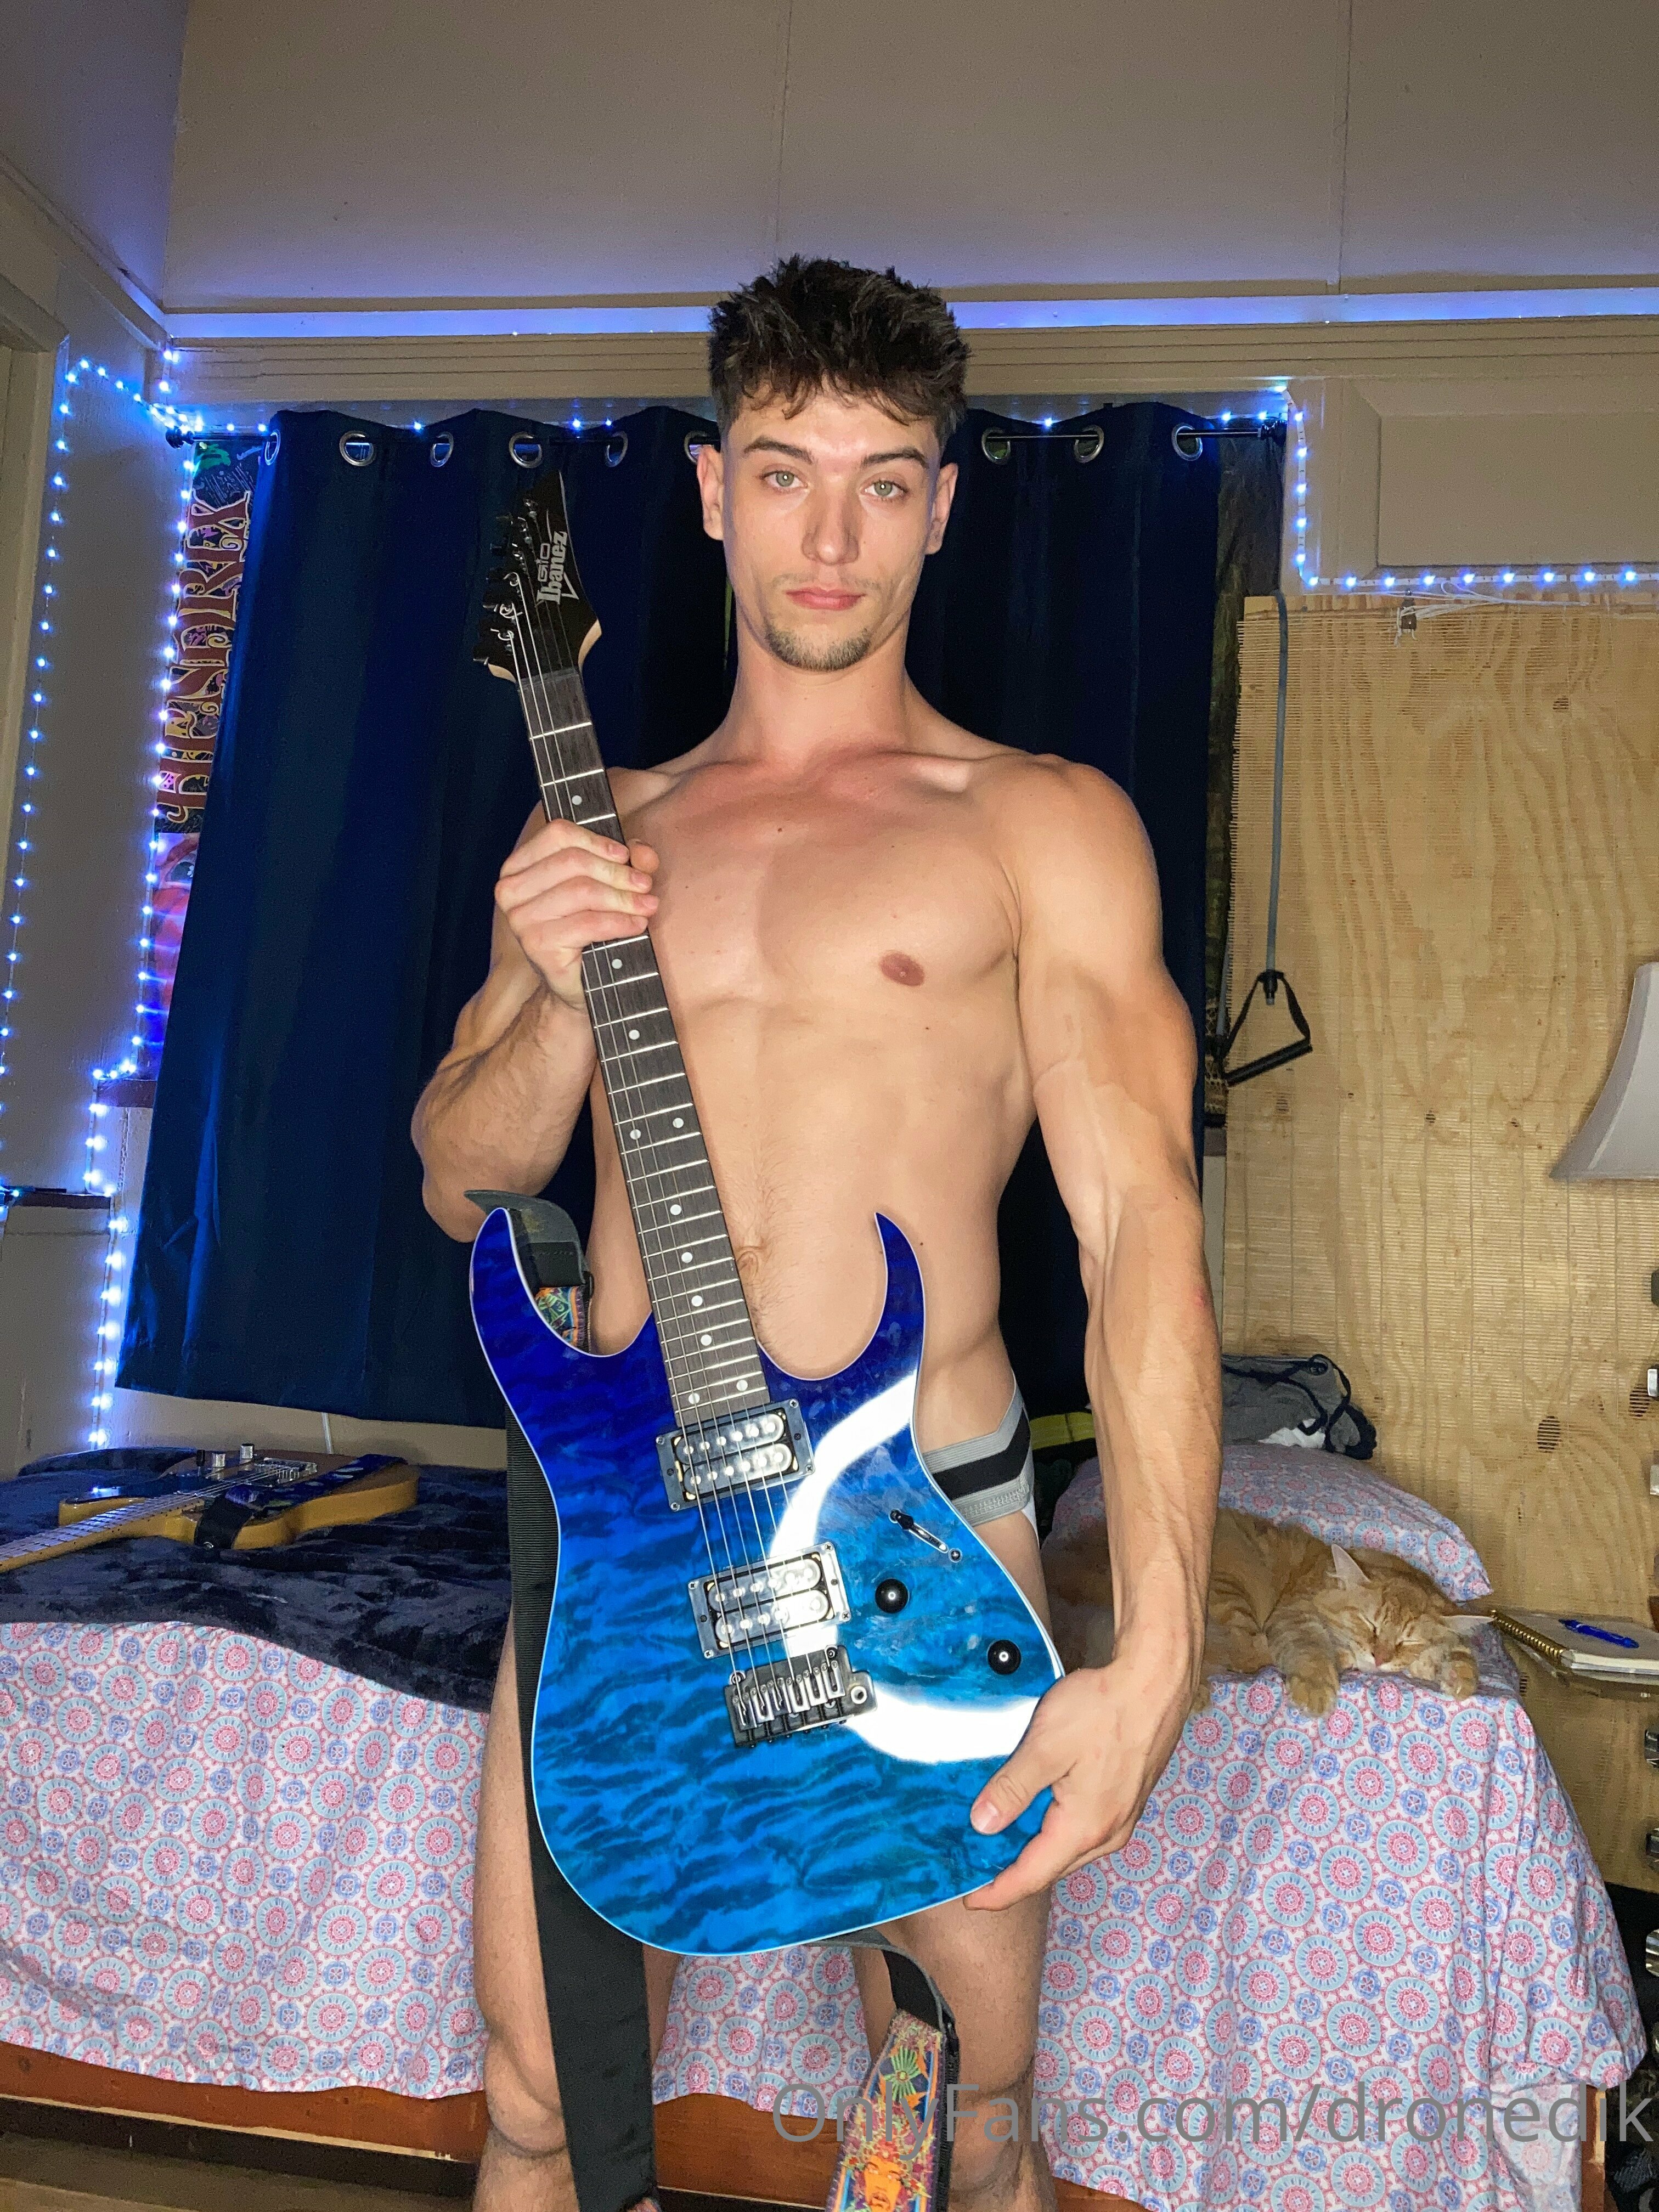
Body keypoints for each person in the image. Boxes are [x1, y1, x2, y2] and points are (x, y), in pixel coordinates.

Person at [413, 256, 1220, 2212]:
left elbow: (1141, 1236)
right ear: (714, 492)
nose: (832, 537)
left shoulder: (1036, 825)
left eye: (883, 480)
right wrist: (553, 989)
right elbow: (459, 1176)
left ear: (943, 504)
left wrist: (1162, 1656)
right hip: (634, 1542)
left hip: (921, 1520)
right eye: (785, 474)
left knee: (963, 2117)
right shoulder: (607, 821)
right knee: (542, 2097)